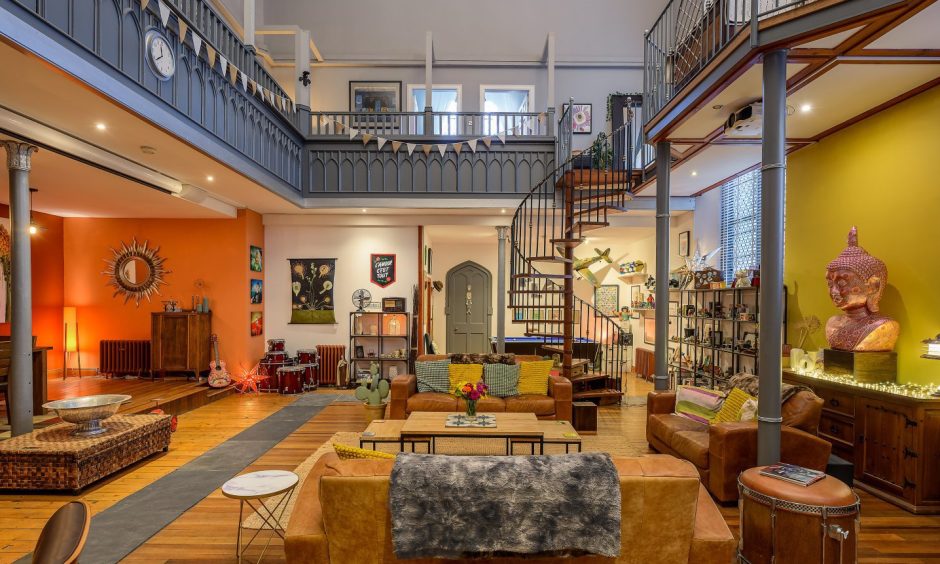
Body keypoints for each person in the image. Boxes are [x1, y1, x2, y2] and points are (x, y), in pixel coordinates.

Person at [825, 226, 899, 351]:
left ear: (872, 286)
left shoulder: (884, 326)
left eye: (842, 283)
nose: (834, 291)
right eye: (830, 284)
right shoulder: (832, 324)